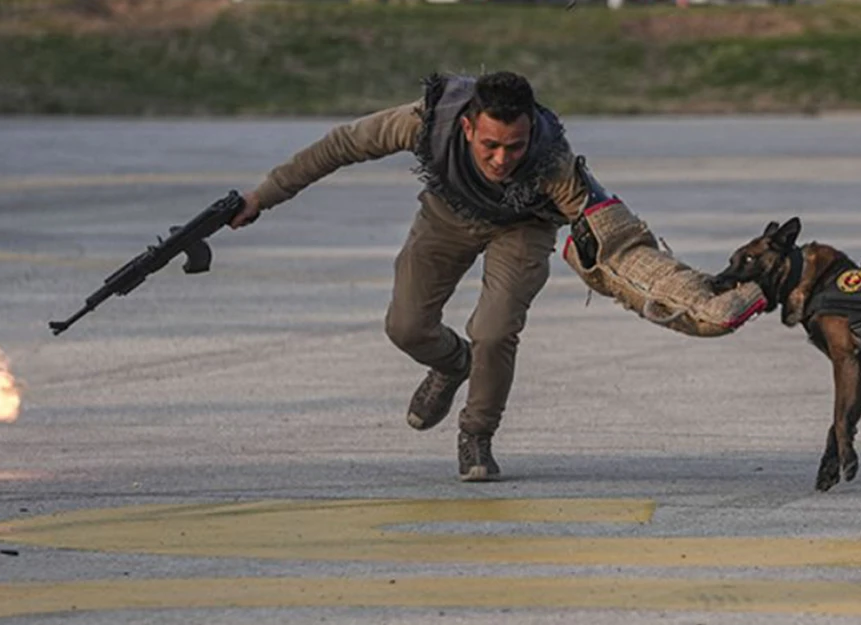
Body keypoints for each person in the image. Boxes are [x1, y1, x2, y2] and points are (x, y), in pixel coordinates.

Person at [230, 70, 763, 482]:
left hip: (523, 228)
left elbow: (621, 247)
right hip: (447, 216)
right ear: (467, 127)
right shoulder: (427, 119)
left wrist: (698, 303)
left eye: (515, 145)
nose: (503, 158)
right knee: (406, 327)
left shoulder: (554, 162)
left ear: (531, 129)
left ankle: (477, 435)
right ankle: (452, 363)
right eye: (489, 145)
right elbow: (340, 145)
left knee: (495, 328)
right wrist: (263, 196)